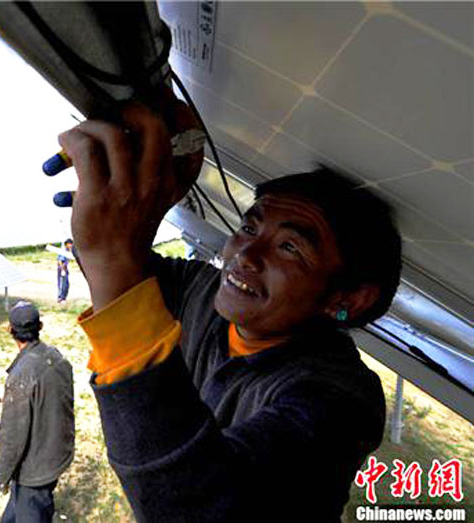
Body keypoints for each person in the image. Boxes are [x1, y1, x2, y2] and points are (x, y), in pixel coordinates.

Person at [56, 97, 401, 521]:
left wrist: (111, 257)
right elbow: (119, 276)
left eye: (290, 247)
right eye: (249, 227)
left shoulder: (341, 400)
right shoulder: (200, 289)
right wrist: (149, 205)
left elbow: (197, 507)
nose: (245, 255)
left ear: (347, 299)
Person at [0, 301, 75, 523]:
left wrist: (0, 480)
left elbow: (12, 439)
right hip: (57, 454)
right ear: (40, 326)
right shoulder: (57, 357)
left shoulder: (21, 376)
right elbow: (55, 396)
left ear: (10, 330)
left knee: (32, 510)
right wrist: (12, 398)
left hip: (35, 472)